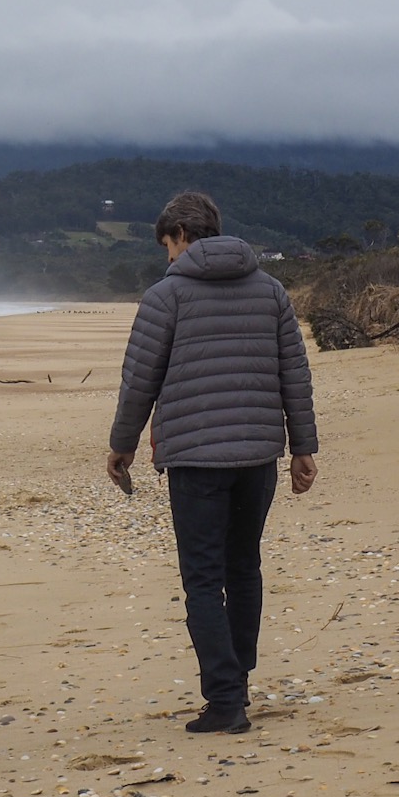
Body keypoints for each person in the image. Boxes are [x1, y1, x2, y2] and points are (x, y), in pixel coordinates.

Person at [107, 191, 318, 734]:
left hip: (195, 460)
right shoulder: (271, 291)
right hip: (258, 456)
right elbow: (295, 374)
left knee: (203, 579)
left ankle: (225, 700)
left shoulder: (166, 296)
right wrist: (303, 447)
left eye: (167, 245)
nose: (167, 256)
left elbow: (139, 381)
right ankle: (237, 683)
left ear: (181, 234)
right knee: (243, 567)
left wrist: (122, 444)